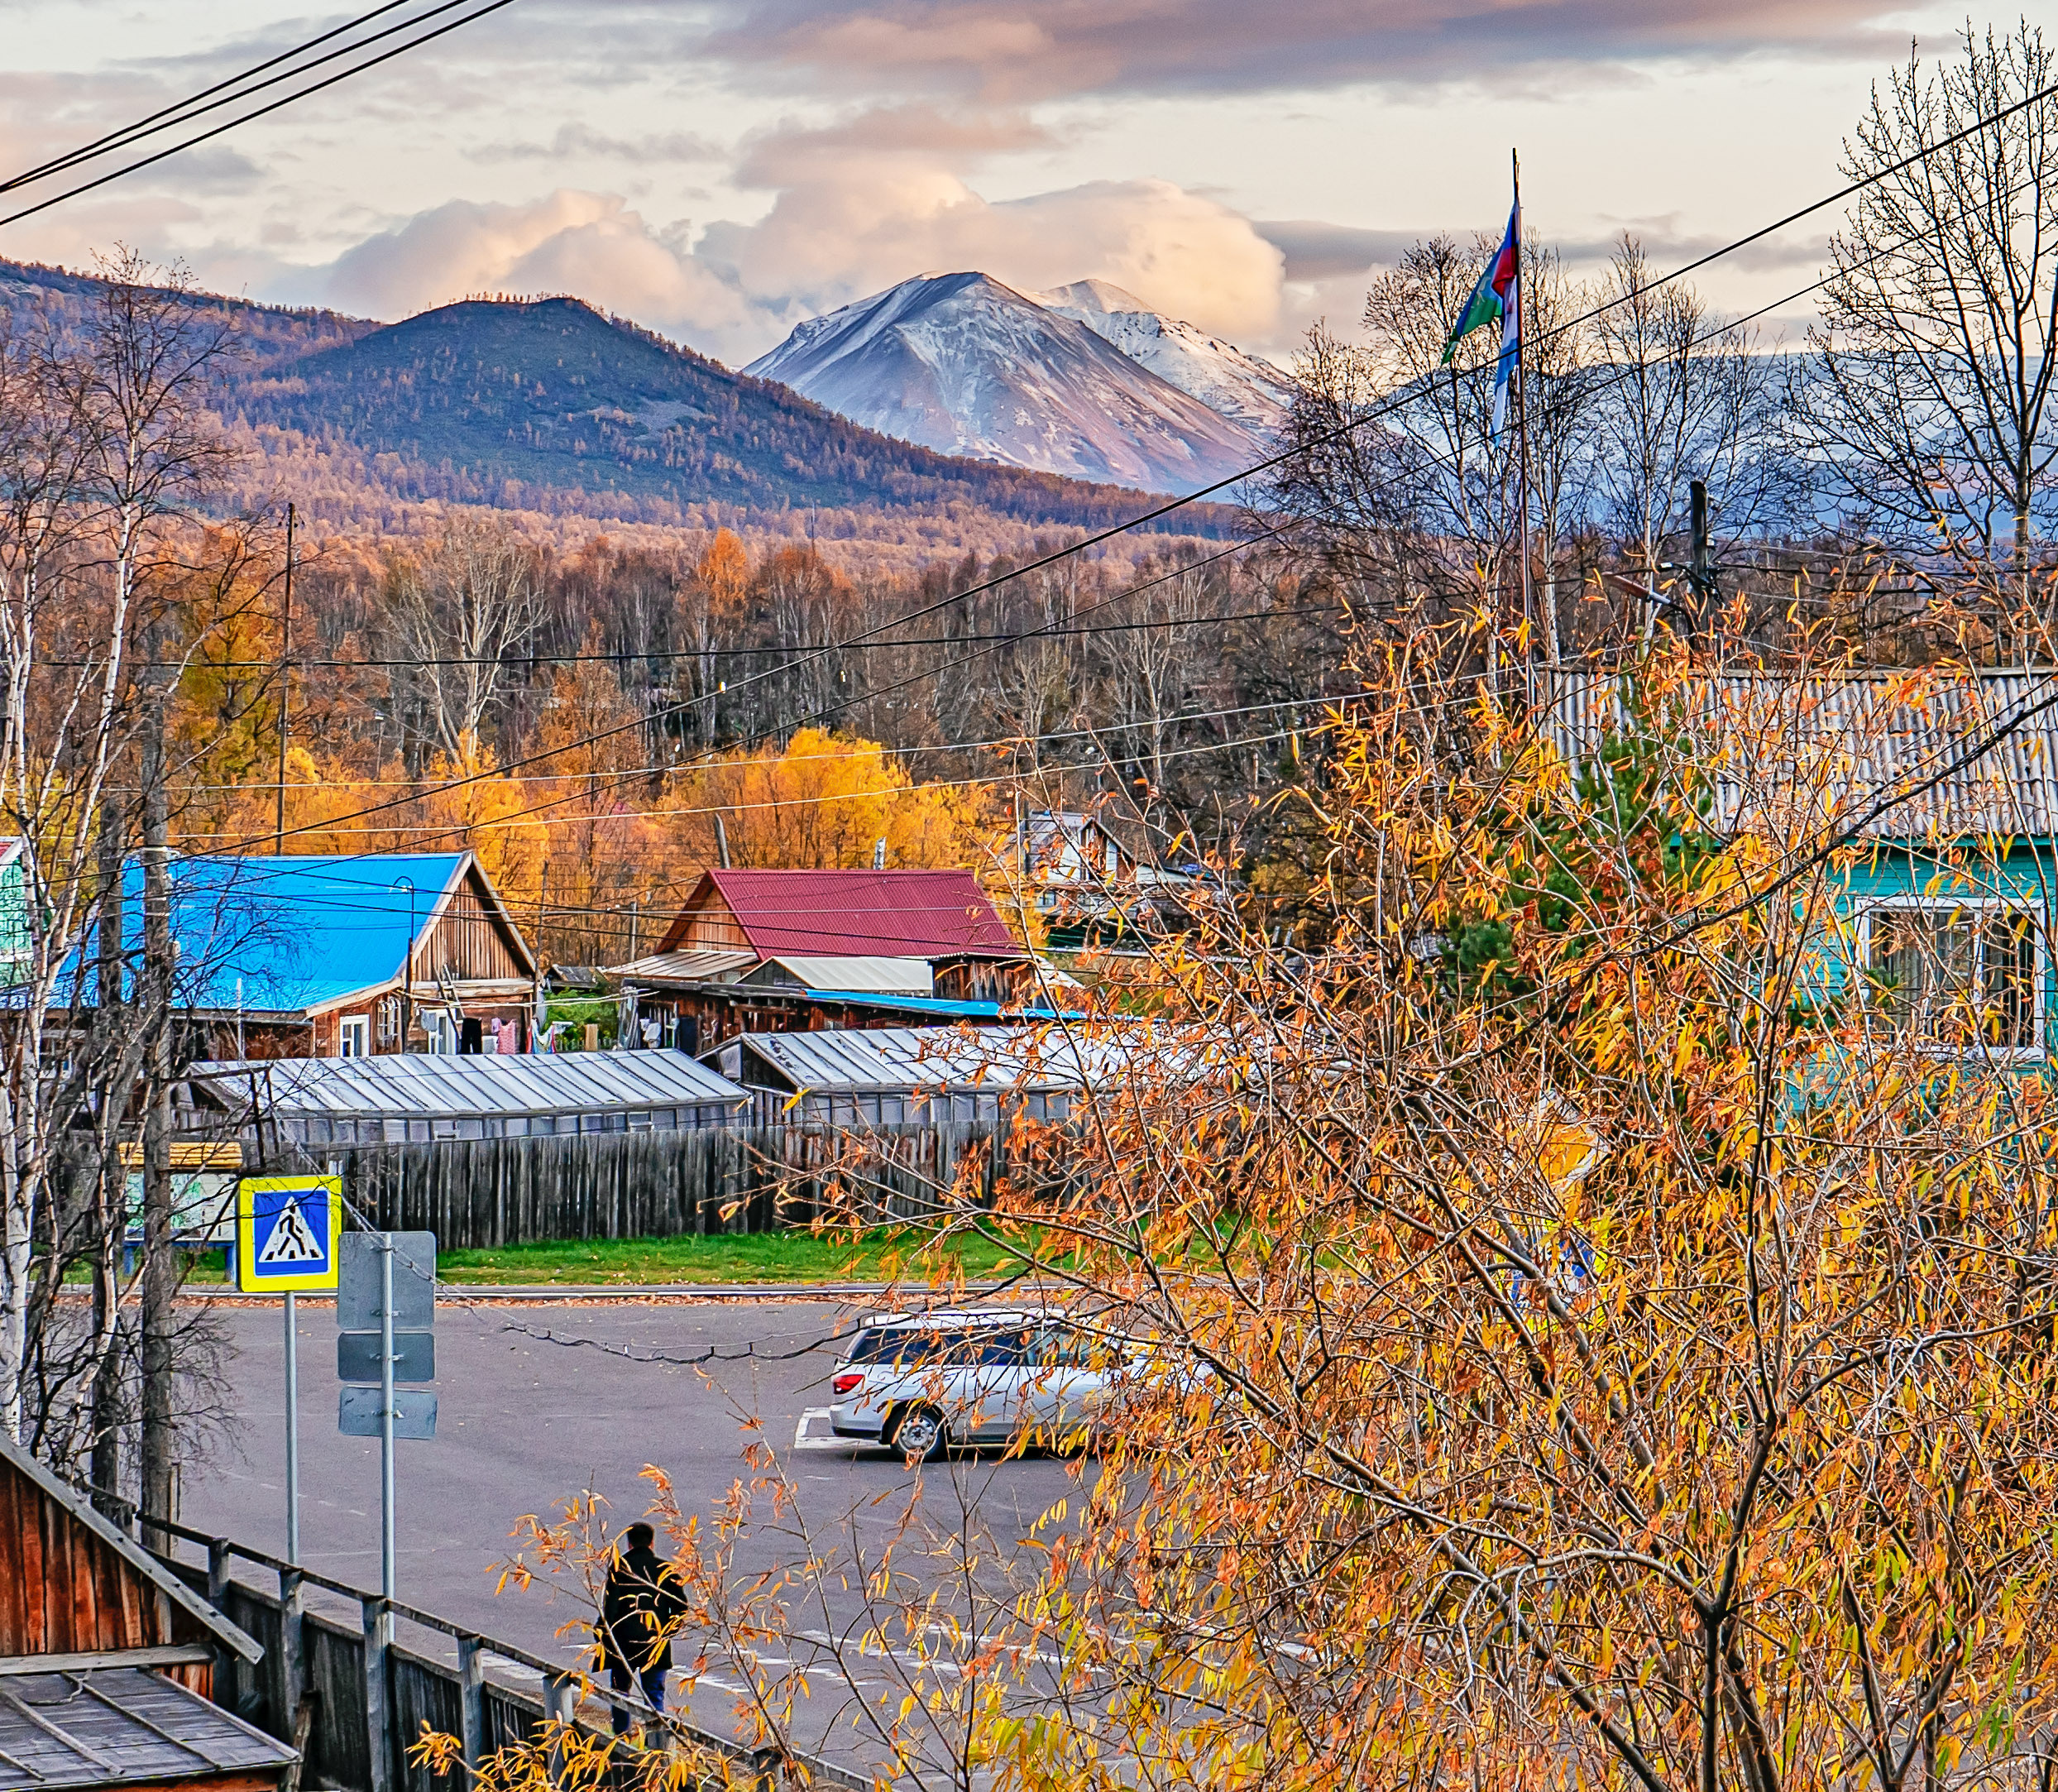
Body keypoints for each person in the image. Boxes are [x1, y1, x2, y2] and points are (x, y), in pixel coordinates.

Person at [596, 1522, 685, 1740]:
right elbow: (681, 1607)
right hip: (656, 1643)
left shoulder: (619, 1568)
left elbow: (611, 1608)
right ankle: (657, 1745)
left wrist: (603, 1634)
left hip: (623, 1643)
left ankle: (621, 1739)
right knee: (654, 1697)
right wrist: (667, 1633)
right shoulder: (666, 1570)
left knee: (620, 1693)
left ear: (629, 1542)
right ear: (652, 1542)